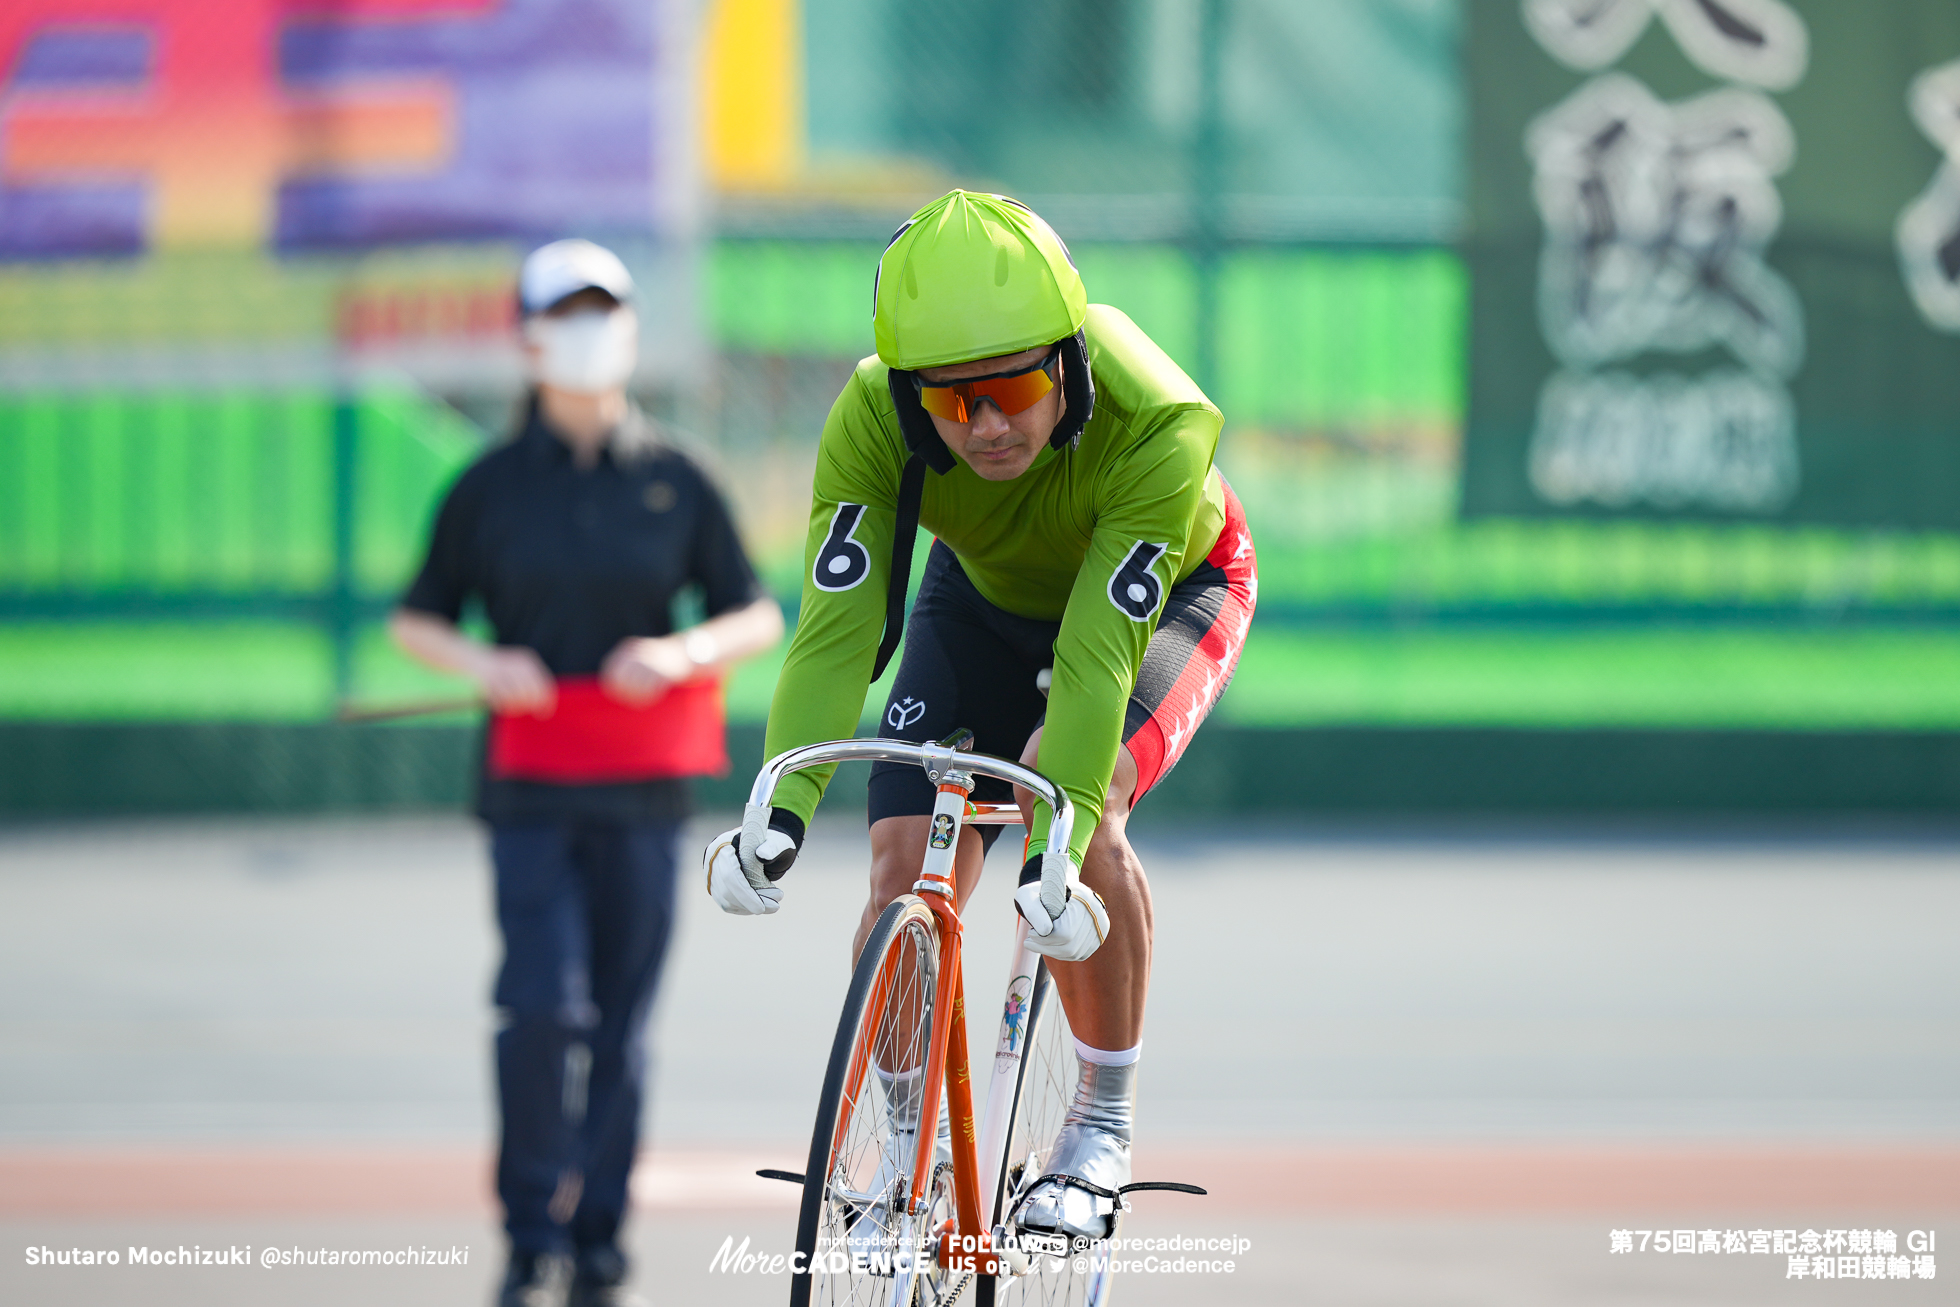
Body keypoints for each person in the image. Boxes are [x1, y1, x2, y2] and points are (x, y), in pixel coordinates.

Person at [702, 191, 1257, 1248]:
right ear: (910, 400)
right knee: (900, 860)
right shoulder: (870, 416)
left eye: (1012, 388)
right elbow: (833, 633)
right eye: (953, 407)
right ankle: (909, 1149)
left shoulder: (1157, 418)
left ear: (1068, 363)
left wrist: (1060, 833)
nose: (989, 425)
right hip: (982, 594)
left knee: (1075, 801)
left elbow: (1095, 657)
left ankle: (1099, 1127)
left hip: (1170, 593)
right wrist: (779, 805)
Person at [391, 238, 783, 1307]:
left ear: (632, 332)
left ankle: (599, 1240)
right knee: (541, 1006)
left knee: (618, 1020)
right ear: (525, 340)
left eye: (604, 310)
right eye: (564, 313)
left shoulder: (678, 477)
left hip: (645, 792)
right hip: (527, 787)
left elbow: (753, 610)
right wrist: (486, 661)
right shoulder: (487, 487)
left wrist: (683, 653)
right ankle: (529, 1232)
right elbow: (416, 616)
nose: (587, 331)